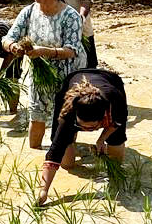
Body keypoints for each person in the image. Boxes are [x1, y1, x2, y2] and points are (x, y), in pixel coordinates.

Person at [2, 0, 85, 150]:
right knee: (37, 112)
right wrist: (13, 47)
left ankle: (64, 151)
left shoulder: (70, 16)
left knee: (65, 115)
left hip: (68, 72)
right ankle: (35, 153)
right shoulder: (29, 11)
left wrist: (44, 51)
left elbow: (72, 50)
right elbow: (8, 38)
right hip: (40, 73)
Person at [37, 68, 128, 206]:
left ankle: (115, 177)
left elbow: (118, 122)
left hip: (109, 79)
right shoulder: (67, 115)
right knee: (67, 164)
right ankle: (74, 141)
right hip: (74, 78)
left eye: (92, 128)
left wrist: (101, 140)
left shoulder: (115, 101)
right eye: (82, 127)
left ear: (103, 118)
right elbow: (54, 153)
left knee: (116, 143)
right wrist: (43, 191)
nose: (86, 131)